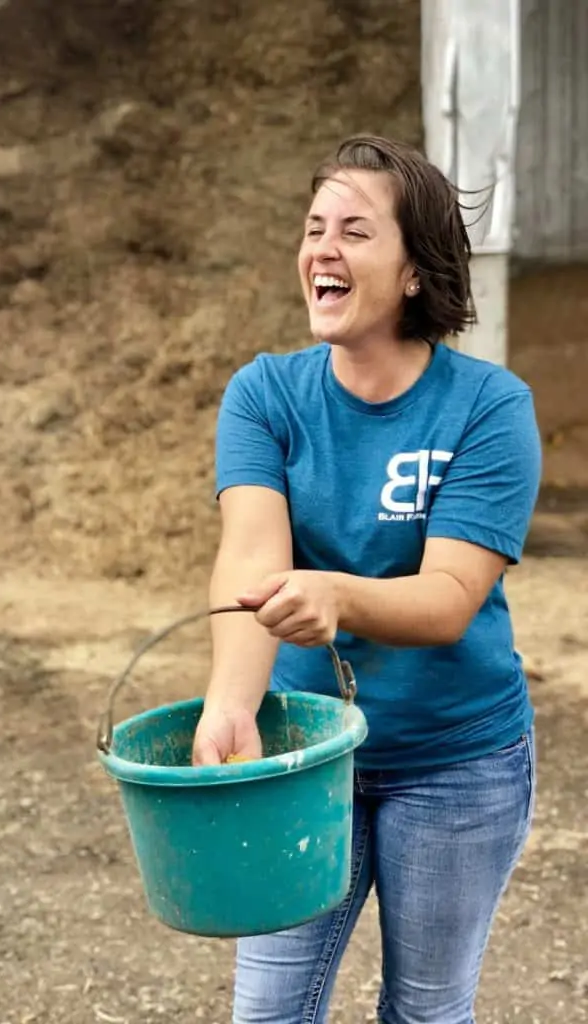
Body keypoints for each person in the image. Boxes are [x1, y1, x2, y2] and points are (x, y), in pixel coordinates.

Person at [191, 135, 542, 1024]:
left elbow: (450, 599)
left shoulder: (490, 407)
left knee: (424, 1013)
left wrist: (339, 594)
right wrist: (233, 706)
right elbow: (249, 559)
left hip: (457, 761)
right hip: (305, 756)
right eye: (314, 230)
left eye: (354, 230)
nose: (322, 251)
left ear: (415, 271)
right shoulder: (266, 394)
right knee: (269, 1013)